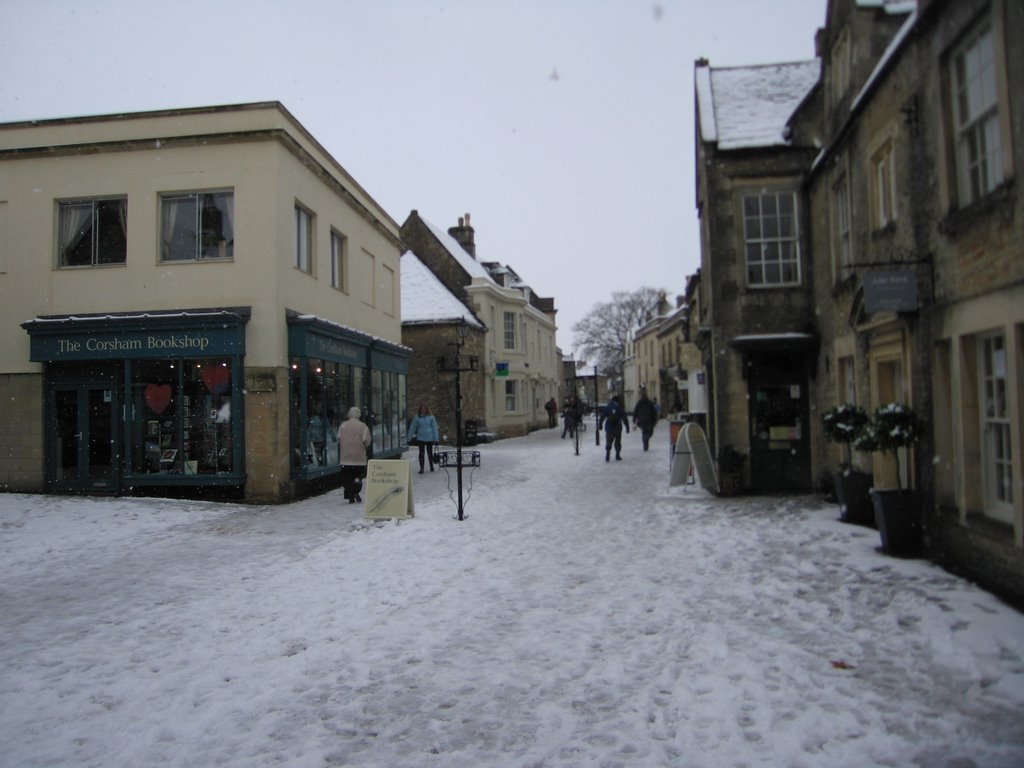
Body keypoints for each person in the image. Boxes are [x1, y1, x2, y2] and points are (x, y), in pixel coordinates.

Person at [338, 406, 371, 503]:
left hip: (345, 457)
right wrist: (362, 447)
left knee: (347, 476)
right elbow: (366, 441)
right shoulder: (363, 426)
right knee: (357, 475)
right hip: (359, 457)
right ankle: (355, 489)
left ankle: (349, 493)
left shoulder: (343, 426)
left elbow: (339, 438)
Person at [406, 404, 439, 474]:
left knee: (430, 453)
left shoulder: (431, 417)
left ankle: (431, 466)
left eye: (424, 409)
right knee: (421, 453)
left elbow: (435, 428)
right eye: (422, 409)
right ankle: (421, 468)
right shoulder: (417, 418)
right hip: (421, 437)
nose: (423, 410)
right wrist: (409, 438)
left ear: (427, 409)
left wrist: (436, 439)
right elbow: (412, 428)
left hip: (430, 437)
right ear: (420, 410)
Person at [599, 395, 630, 461]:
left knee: (609, 441)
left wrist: (600, 424)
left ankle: (607, 453)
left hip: (609, 428)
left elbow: (602, 416)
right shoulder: (619, 408)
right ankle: (617, 455)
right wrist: (627, 427)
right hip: (617, 428)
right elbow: (624, 418)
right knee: (617, 442)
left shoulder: (607, 407)